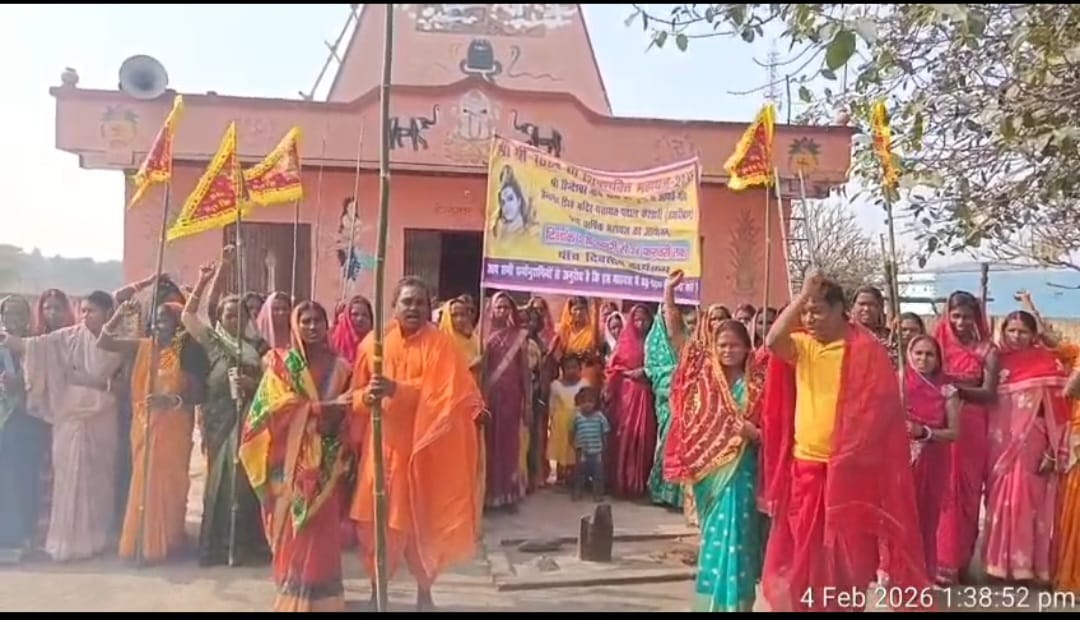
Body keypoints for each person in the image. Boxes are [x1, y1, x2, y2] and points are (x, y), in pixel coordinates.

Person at [760, 272, 929, 612]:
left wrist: (854, 452)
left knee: (850, 561)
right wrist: (803, 295)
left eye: (817, 311)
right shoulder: (804, 346)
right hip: (807, 468)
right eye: (805, 312)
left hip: (851, 475)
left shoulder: (865, 351)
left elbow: (880, 413)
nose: (809, 319)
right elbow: (773, 339)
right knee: (803, 558)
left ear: (841, 311)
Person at [350, 276, 484, 612]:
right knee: (375, 524)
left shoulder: (442, 347)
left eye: (420, 303)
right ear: (394, 305)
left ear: (430, 308)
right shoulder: (373, 345)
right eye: (407, 301)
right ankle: (375, 588)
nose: (413, 308)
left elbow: (447, 399)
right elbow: (354, 396)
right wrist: (367, 397)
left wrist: (399, 390)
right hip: (381, 452)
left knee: (423, 523)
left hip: (424, 453)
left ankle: (424, 593)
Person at [239, 301, 353, 612]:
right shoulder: (281, 363)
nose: (313, 326)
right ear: (295, 325)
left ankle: (325, 599)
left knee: (323, 529)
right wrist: (323, 408)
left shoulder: (342, 366)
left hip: (328, 460)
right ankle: (294, 595)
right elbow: (271, 409)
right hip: (287, 462)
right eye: (306, 321)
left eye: (318, 320)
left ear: (327, 324)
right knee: (294, 529)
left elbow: (350, 410)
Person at [0, 291, 125, 562]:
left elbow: (116, 379)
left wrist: (97, 383)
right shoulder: (68, 336)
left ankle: (96, 538)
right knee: (68, 477)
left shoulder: (118, 341)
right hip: (69, 416)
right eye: (83, 310)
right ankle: (67, 541)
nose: (85, 315)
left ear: (106, 314)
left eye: (91, 311)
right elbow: (36, 345)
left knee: (98, 479)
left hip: (102, 416)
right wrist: (8, 339)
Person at [666, 319, 764, 612]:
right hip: (710, 478)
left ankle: (738, 606)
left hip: (743, 472)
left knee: (740, 541)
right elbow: (678, 339)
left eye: (735, 344)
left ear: (747, 347)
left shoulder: (758, 385)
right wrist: (670, 296)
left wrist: (755, 433)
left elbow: (776, 431)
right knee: (715, 541)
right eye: (722, 345)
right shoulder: (703, 385)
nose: (728, 350)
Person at [99, 299, 201, 563]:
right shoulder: (143, 346)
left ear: (178, 324)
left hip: (175, 426)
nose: (158, 325)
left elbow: (199, 394)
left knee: (171, 483)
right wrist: (120, 313)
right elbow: (105, 342)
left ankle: (168, 538)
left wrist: (172, 402)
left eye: (165, 319)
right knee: (144, 480)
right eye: (155, 319)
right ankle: (142, 541)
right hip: (144, 424)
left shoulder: (186, 352)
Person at [181, 262, 269, 567]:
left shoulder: (257, 347)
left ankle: (245, 545)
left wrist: (252, 383)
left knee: (247, 482)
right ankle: (217, 545)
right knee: (220, 480)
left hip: (250, 419)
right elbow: (188, 316)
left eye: (240, 314)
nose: (234, 318)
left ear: (247, 318)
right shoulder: (214, 341)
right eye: (229, 314)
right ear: (221, 317)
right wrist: (203, 280)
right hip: (220, 418)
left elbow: (272, 385)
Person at [983, 310, 1069, 584]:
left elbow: (1056, 411)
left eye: (1023, 332)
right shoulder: (997, 362)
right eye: (1011, 331)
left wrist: (1053, 451)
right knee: (1000, 500)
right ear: (1003, 331)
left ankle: (1027, 566)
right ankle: (998, 564)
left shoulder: (1046, 362)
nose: (1016, 337)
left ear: (1033, 335)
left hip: (1033, 444)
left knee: (1029, 502)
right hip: (999, 445)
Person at [934, 290, 997, 586]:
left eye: (966, 316)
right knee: (942, 491)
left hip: (972, 426)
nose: (960, 322)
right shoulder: (937, 346)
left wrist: (953, 387)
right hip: (942, 423)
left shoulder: (987, 350)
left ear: (976, 318)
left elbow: (988, 393)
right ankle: (940, 561)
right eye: (955, 316)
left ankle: (959, 561)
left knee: (968, 493)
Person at [904, 334, 960, 581]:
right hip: (901, 460)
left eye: (929, 354)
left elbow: (954, 432)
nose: (923, 359)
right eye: (918, 354)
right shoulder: (899, 382)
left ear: (938, 359)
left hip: (934, 459)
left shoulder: (948, 389)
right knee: (900, 515)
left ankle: (923, 573)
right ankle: (895, 571)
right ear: (909, 355)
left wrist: (924, 432)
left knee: (927, 518)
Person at [0, 296, 48, 564]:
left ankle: (26, 536)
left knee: (25, 479)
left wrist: (21, 383)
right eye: (8, 313)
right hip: (3, 419)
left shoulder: (35, 346)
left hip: (28, 419)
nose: (13, 319)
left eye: (19, 314)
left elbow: (44, 380)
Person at [481, 292, 530, 509]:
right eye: (498, 307)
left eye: (506, 307)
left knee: (510, 445)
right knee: (489, 446)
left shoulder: (519, 337)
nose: (501, 311)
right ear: (491, 309)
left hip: (512, 398)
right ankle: (489, 494)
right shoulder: (483, 336)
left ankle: (509, 494)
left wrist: (528, 402)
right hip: (490, 398)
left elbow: (525, 372)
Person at [604, 304, 657, 498]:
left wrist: (646, 372)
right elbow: (613, 368)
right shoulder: (625, 342)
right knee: (625, 436)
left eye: (645, 319)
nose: (641, 323)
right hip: (626, 395)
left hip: (646, 394)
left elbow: (663, 365)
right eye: (637, 319)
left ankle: (638, 483)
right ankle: (620, 481)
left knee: (645, 437)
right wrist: (627, 373)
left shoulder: (655, 343)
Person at [645, 272, 688, 509]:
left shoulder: (693, 339)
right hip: (670, 401)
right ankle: (664, 493)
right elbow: (655, 370)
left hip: (693, 403)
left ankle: (684, 498)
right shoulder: (655, 341)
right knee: (668, 444)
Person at [548, 355, 587, 484]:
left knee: (573, 451)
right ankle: (560, 476)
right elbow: (552, 405)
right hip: (560, 424)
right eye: (568, 368)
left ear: (580, 368)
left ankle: (573, 477)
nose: (572, 371)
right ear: (562, 370)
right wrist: (552, 418)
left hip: (578, 422)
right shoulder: (555, 385)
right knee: (561, 451)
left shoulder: (584, 384)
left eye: (575, 367)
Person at [552, 296, 602, 387]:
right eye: (576, 309)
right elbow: (558, 355)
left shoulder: (591, 331)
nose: (579, 313)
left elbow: (596, 347)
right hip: (568, 374)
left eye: (582, 309)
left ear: (586, 311)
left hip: (588, 373)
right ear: (570, 311)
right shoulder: (566, 332)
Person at [571, 386, 609, 502]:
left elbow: (605, 431)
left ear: (595, 402)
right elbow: (572, 431)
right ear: (578, 403)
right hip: (582, 451)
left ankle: (598, 494)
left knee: (598, 474)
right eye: (584, 402)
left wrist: (604, 445)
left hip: (596, 451)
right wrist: (573, 444)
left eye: (590, 401)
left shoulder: (600, 417)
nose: (587, 405)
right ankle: (577, 492)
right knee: (580, 473)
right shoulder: (577, 417)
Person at [330, 295, 373, 364]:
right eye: (355, 314)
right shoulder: (333, 343)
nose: (360, 319)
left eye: (365, 315)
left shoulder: (376, 345)